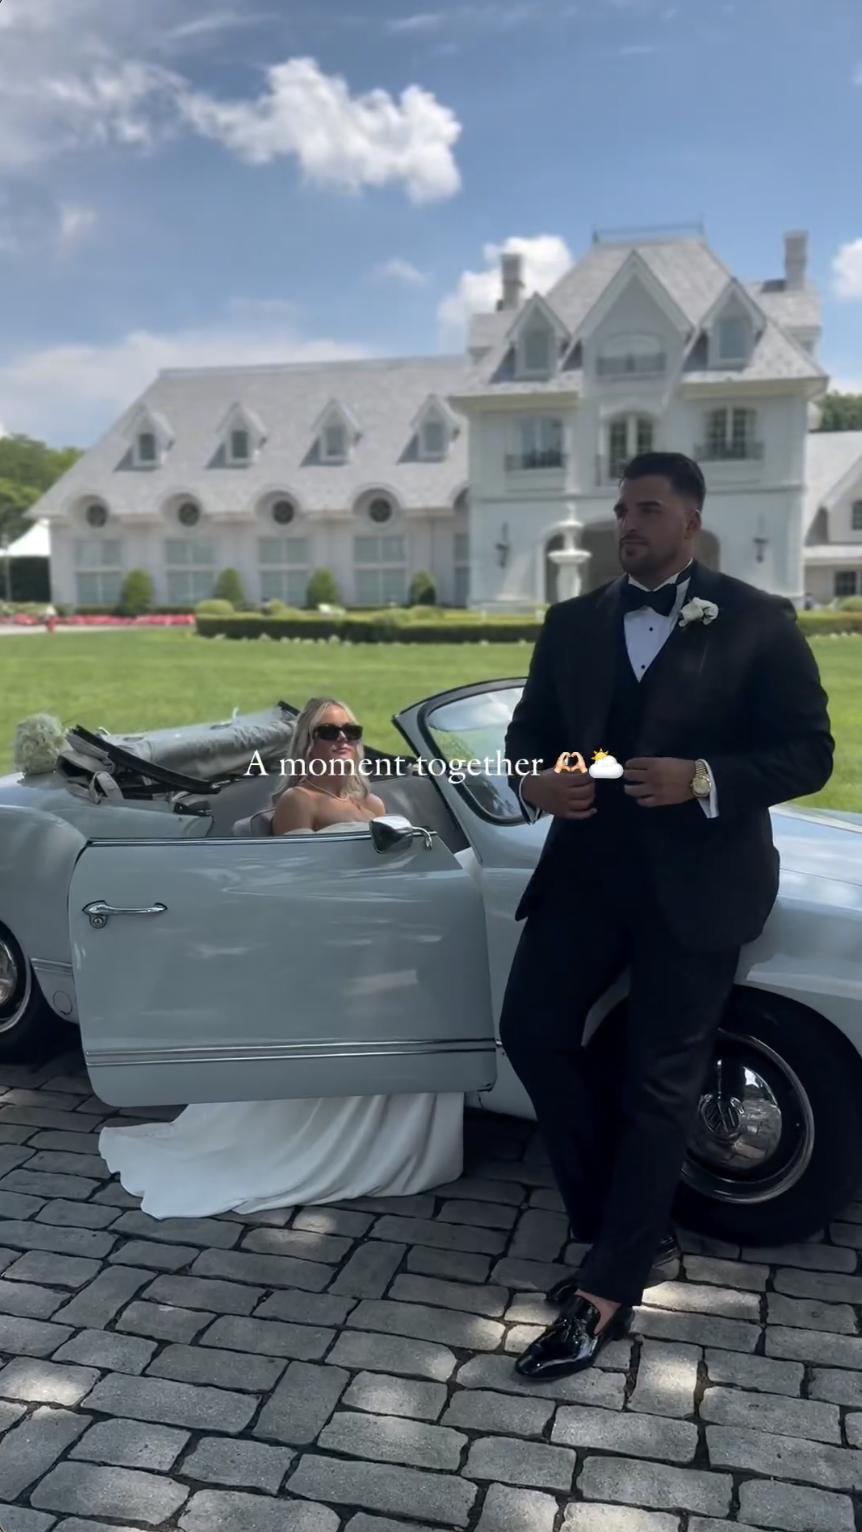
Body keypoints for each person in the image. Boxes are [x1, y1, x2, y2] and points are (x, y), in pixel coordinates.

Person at [499, 451, 834, 1379]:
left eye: (646, 509)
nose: (627, 525)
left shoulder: (758, 621)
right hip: (587, 877)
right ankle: (615, 1213)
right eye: (620, 510)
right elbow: (529, 733)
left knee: (661, 1082)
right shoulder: (571, 623)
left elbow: (810, 753)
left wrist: (707, 778)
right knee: (529, 1030)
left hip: (700, 884)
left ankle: (608, 1287)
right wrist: (536, 777)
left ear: (690, 520)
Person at [98, 696, 464, 1218]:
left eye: (351, 731)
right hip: (330, 947)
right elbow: (301, 893)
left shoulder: (376, 807)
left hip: (386, 937)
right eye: (327, 732)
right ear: (305, 746)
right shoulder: (300, 801)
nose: (343, 740)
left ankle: (400, 1142)